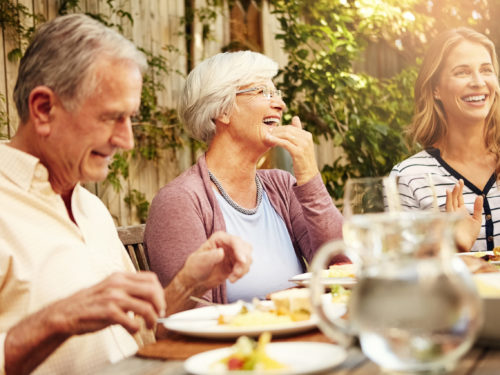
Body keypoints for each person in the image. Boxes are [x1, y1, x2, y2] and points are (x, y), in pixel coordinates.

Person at [0, 14, 252, 375]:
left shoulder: (90, 206)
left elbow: (134, 331)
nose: (127, 140)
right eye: (111, 118)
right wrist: (56, 320)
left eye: (130, 118)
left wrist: (188, 282)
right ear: (43, 110)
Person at [145, 50, 344, 304]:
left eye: (277, 94)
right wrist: (274, 310)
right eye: (263, 92)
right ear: (222, 111)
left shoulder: (281, 186)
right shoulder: (179, 202)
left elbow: (339, 264)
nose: (280, 105)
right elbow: (188, 316)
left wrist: (308, 174)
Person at [391, 27, 500, 252]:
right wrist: (452, 249)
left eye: (486, 70)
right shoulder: (409, 178)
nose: (478, 82)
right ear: (435, 90)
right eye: (462, 72)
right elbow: (404, 277)